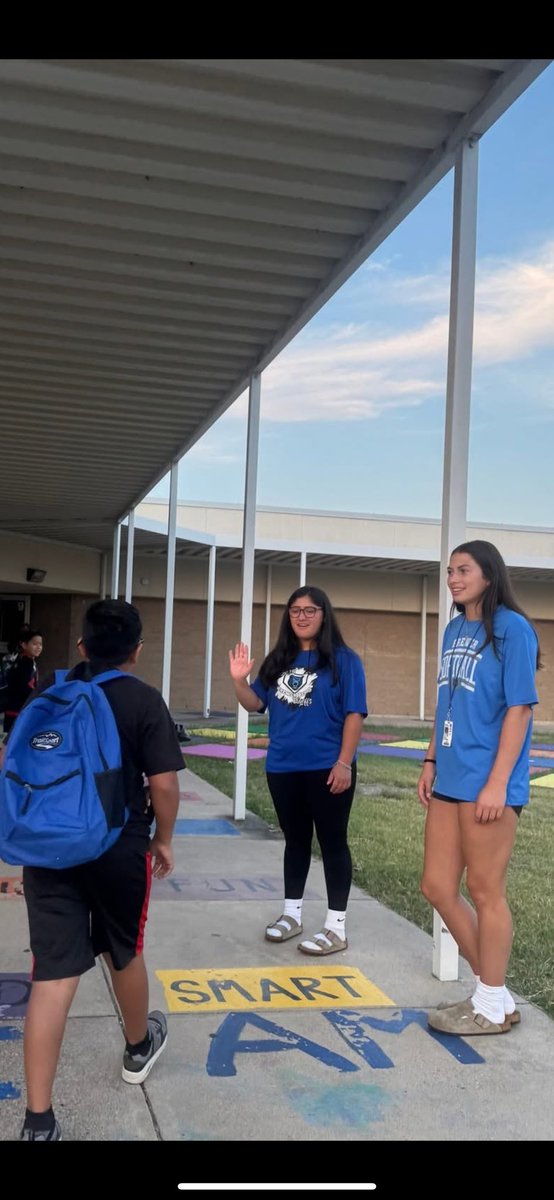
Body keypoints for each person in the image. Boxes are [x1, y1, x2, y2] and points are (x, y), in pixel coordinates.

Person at [13, 599, 184, 1141]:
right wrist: (163, 839)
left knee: (53, 974)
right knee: (122, 948)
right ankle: (138, 1048)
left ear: (82, 646)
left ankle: (38, 1122)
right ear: (136, 650)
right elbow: (164, 785)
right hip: (118, 849)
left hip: (49, 850)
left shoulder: (49, 694)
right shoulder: (143, 700)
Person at [417, 540, 540, 1036]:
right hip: (450, 776)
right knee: (437, 887)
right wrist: (429, 760)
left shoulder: (512, 629)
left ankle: (489, 1001)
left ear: (489, 574)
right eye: (449, 571)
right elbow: (446, 703)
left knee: (485, 890)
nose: (453, 578)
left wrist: (497, 784)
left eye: (463, 570)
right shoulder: (453, 629)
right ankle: (496, 994)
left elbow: (520, 709)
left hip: (489, 784)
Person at [229, 585, 367, 956]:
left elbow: (355, 714)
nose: (301, 616)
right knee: (296, 841)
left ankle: (336, 927)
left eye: (310, 610)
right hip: (284, 768)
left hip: (327, 768)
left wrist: (344, 763)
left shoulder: (344, 660)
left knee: (333, 842)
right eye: (295, 610)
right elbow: (255, 703)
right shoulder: (278, 659)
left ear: (324, 615)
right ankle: (292, 915)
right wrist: (239, 680)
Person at [2, 624, 43, 733]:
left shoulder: (21, 659)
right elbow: (23, 687)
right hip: (19, 711)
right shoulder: (26, 663)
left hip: (14, 710)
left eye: (40, 644)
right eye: (34, 644)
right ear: (24, 645)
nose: (38, 647)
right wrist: (38, 695)